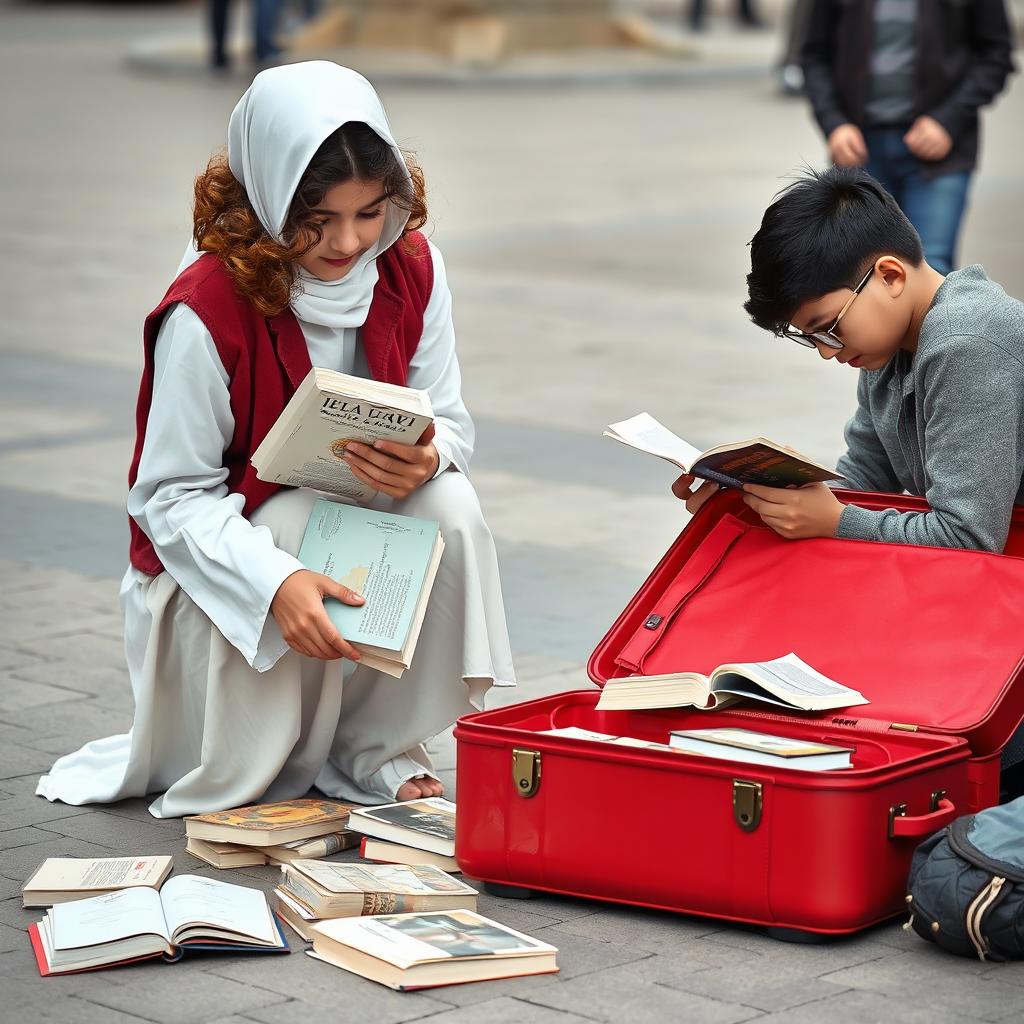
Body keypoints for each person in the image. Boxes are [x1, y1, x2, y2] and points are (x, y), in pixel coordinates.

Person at [36, 61, 516, 818]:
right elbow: (169, 498)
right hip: (220, 572)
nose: (349, 242)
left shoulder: (411, 264)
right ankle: (275, 752)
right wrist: (273, 583)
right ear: (267, 195)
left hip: (349, 531)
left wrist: (428, 455)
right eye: (316, 219)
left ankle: (373, 747)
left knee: (451, 504)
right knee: (292, 517)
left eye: (368, 212)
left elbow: (450, 418)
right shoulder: (206, 307)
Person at [673, 165, 1024, 554]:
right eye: (810, 338)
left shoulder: (966, 342)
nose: (827, 350)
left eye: (829, 327)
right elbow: (867, 475)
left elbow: (967, 537)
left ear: (889, 276)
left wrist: (836, 521)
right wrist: (758, 500)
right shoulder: (889, 344)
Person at [799, 0, 1014, 275]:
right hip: (861, 151)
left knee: (930, 269)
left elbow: (996, 55)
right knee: (862, 275)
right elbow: (814, 55)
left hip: (940, 154)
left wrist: (948, 120)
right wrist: (834, 124)